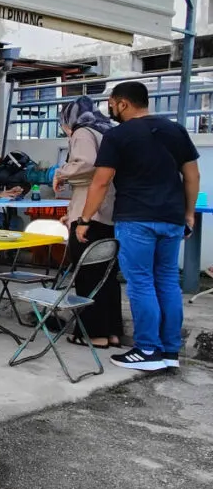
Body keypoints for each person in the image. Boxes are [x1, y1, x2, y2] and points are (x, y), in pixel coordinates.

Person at [78, 81, 200, 371]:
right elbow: (192, 176)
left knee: (141, 283)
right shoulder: (176, 130)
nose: (111, 109)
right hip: (171, 218)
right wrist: (189, 213)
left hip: (136, 219)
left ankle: (147, 350)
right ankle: (170, 351)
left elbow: (101, 181)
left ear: (122, 103)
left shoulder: (118, 136)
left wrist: (84, 219)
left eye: (112, 103)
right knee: (168, 282)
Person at [51, 97, 122, 349]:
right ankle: (112, 332)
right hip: (109, 212)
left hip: (89, 216)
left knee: (87, 276)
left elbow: (86, 165)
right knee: (106, 277)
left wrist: (60, 173)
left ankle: (94, 334)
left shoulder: (82, 132)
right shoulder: (107, 130)